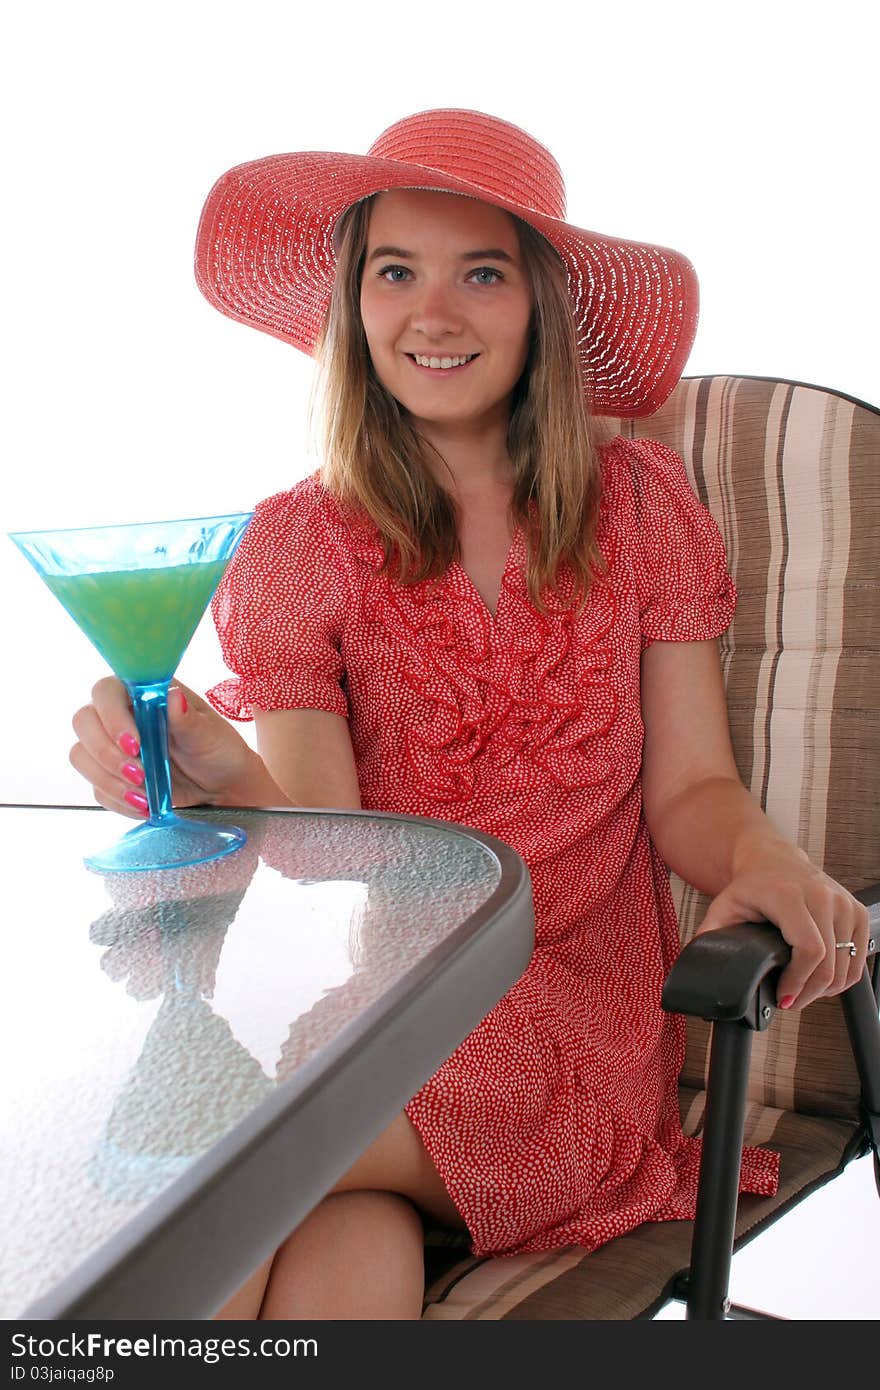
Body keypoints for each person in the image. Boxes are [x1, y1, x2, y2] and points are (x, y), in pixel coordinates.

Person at [69, 109, 871, 1320]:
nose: (432, 314)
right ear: (353, 303)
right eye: (396, 271)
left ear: (539, 305)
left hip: (574, 1050)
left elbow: (694, 793)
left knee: (187, 1173)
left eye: (481, 273)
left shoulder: (641, 505)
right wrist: (222, 770)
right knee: (348, 1247)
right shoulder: (298, 542)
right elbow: (331, 846)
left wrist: (765, 857)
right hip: (387, 1028)